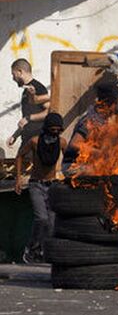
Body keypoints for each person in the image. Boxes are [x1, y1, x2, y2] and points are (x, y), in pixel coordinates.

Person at [14, 113, 66, 263]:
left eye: (58, 130)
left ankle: (44, 251)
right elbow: (20, 156)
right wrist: (18, 178)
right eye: (52, 129)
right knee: (41, 218)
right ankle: (32, 248)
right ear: (46, 128)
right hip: (36, 184)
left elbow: (70, 159)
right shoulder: (35, 141)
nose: (55, 133)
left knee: (52, 222)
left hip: (53, 185)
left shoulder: (62, 142)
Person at [8, 59, 50, 149]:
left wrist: (29, 118)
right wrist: (15, 135)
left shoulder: (38, 88)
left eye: (13, 74)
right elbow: (26, 119)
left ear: (20, 72)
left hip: (37, 140)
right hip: (27, 139)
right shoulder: (26, 91)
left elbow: (49, 111)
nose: (13, 78)